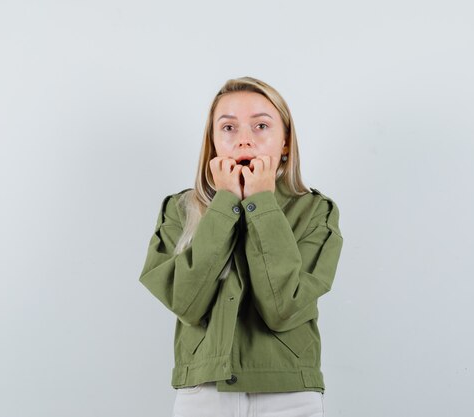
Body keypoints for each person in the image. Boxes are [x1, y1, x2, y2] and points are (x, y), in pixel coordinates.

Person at [139, 76, 344, 417]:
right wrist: (225, 204)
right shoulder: (178, 210)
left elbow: (283, 308)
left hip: (289, 393)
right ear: (213, 141)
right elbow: (185, 303)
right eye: (229, 128)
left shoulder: (315, 212)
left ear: (285, 143)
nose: (245, 141)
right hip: (203, 393)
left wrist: (261, 202)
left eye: (261, 125)